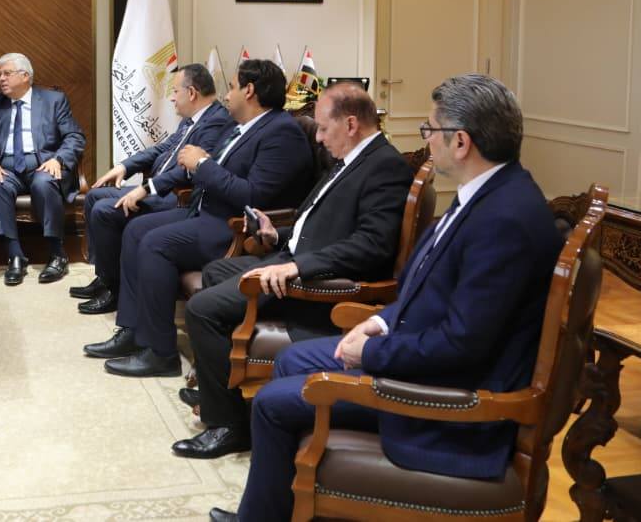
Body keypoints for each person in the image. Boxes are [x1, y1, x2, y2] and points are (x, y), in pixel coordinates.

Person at [209, 74, 562, 522]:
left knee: (272, 403)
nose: (425, 140)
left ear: (461, 142)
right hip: (423, 354)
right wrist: (378, 322)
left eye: (430, 129)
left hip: (449, 401)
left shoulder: (505, 221)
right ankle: (288, 508)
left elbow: (463, 345)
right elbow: (428, 290)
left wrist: (373, 353)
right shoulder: (491, 193)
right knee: (292, 362)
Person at [174, 82, 412, 460]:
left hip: (317, 284)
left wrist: (297, 265)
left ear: (351, 124)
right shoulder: (350, 159)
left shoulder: (385, 166)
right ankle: (220, 388)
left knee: (203, 309)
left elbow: (371, 246)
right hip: (295, 261)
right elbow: (317, 225)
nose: (318, 138)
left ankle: (229, 426)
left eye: (324, 128)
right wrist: (276, 233)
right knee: (217, 271)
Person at [85, 59, 315, 377]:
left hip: (231, 226)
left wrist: (202, 164)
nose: (226, 95)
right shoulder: (242, 127)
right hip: (204, 210)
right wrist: (202, 163)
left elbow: (253, 195)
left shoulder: (281, 132)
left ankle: (161, 353)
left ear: (249, 91)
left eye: (232, 87)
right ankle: (133, 331)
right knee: (136, 229)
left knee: (154, 243)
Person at [74, 63, 232, 314]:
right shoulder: (191, 119)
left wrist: (148, 187)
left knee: (105, 210)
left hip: (175, 196)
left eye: (175, 91)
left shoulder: (217, 121)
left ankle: (115, 290)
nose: (171, 98)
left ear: (191, 93)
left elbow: (191, 170)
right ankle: (106, 276)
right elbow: (163, 149)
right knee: (94, 196)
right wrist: (124, 166)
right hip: (157, 188)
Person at [0, 52, 86, 286]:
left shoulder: (54, 100)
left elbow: (75, 136)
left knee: (44, 182)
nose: (1, 78)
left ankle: (57, 254)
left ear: (25, 76)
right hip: (7, 169)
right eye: (0, 74)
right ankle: (15, 256)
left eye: (7, 73)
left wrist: (58, 160)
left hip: (43, 165)